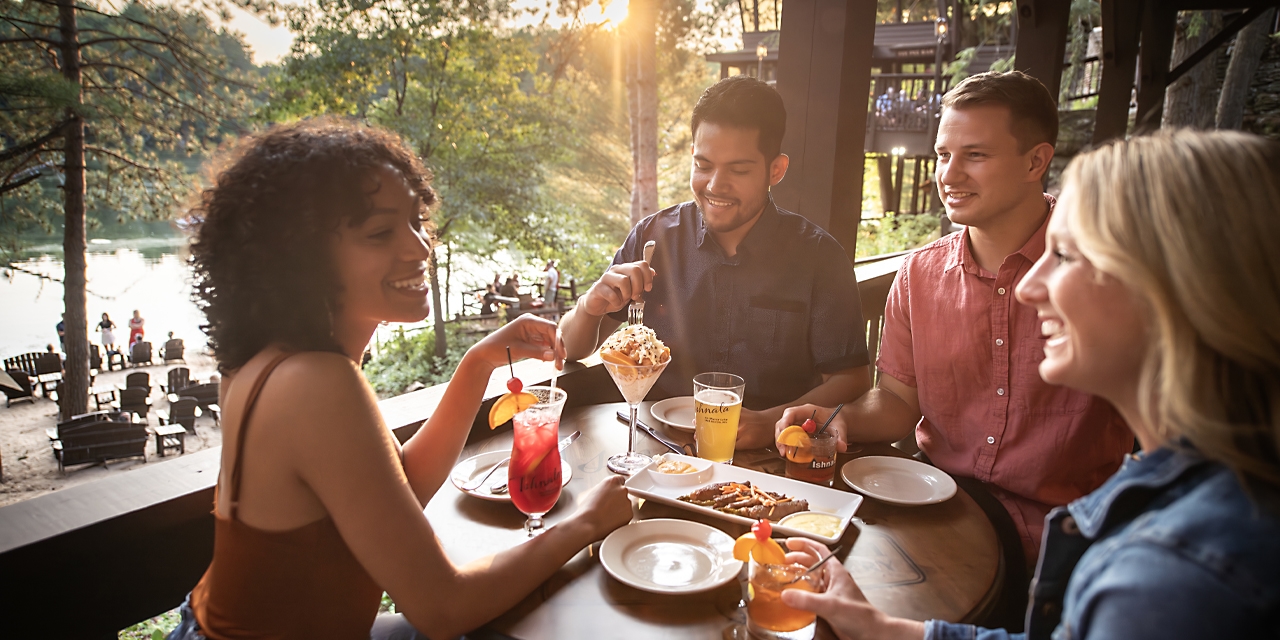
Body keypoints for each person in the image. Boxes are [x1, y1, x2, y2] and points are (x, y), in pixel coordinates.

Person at [778, 130, 1280, 640]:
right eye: (944, 154)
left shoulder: (1166, 581)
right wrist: (884, 630)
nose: (1031, 286)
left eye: (1064, 257)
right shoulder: (1212, 491)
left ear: (1177, 288)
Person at [167, 119, 632, 640]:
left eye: (416, 220)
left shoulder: (277, 360)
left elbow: (398, 488)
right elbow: (443, 606)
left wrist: (479, 362)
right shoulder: (314, 383)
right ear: (301, 256)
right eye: (380, 232)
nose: (418, 248)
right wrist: (586, 523)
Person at [779, 71, 1131, 577]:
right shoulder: (919, 274)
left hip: (1077, 545)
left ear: (1036, 161)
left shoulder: (1104, 267)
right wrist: (834, 420)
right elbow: (899, 403)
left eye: (976, 155)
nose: (949, 174)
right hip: (938, 518)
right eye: (944, 155)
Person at [559, 76, 871, 448]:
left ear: (776, 170)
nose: (715, 185)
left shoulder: (819, 258)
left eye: (738, 170)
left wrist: (769, 422)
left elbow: (852, 379)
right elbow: (573, 348)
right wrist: (591, 307)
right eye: (703, 165)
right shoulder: (653, 237)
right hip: (656, 447)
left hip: (771, 454)